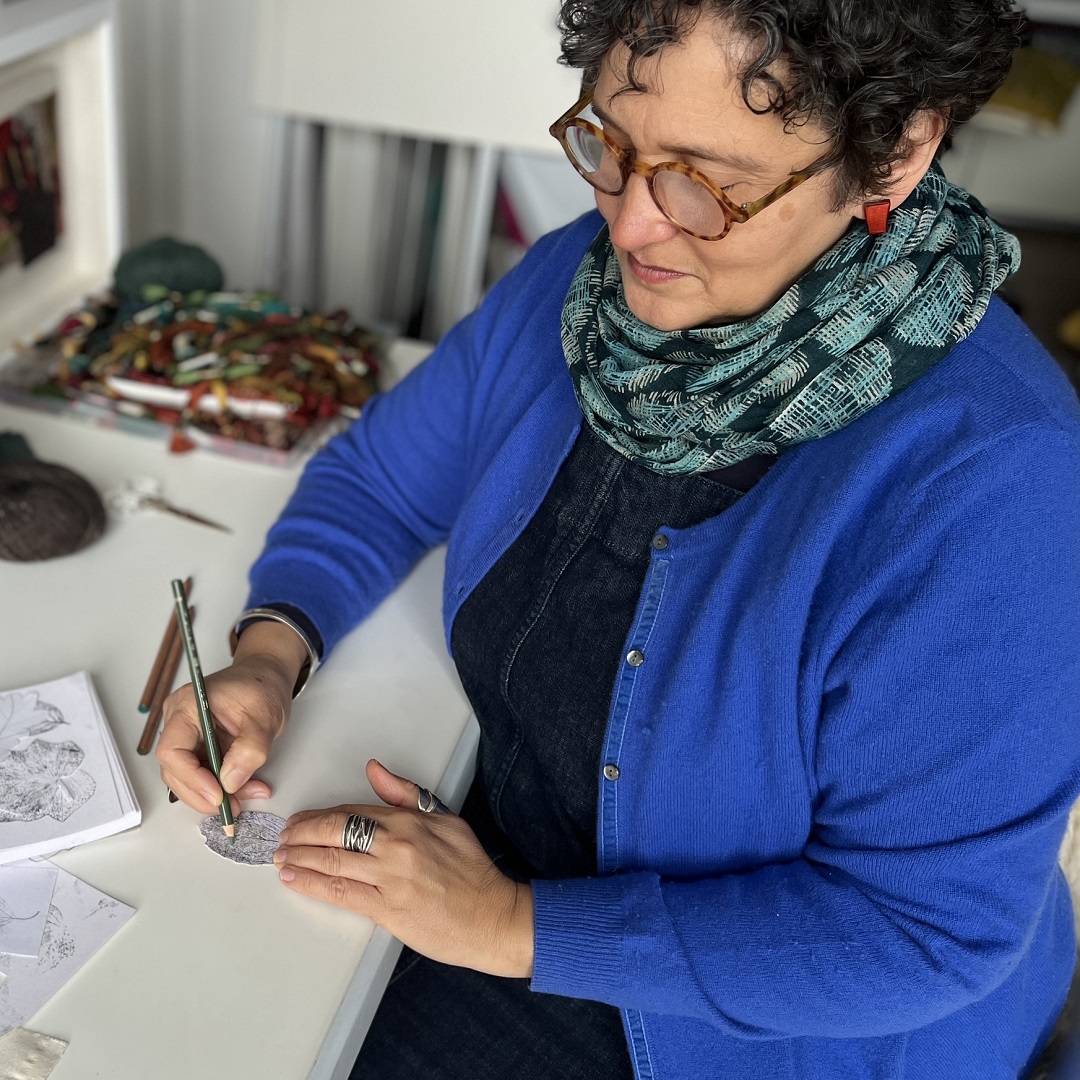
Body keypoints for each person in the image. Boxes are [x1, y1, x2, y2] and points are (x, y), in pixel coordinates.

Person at [158, 1, 1080, 1077]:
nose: (634, 223)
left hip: (757, 1026)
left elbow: (923, 933)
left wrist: (510, 928)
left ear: (896, 153)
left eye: (710, 182)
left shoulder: (998, 487)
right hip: (507, 882)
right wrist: (271, 655)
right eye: (611, 142)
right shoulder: (574, 283)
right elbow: (380, 479)